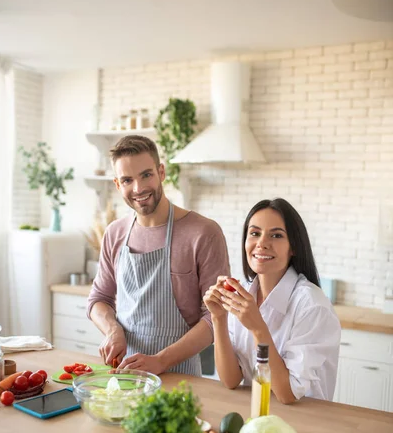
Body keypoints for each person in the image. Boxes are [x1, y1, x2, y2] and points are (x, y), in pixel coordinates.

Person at [87, 134, 230, 376]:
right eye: (127, 180)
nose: (139, 188)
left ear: (161, 172)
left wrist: (161, 361)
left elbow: (216, 318)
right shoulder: (114, 233)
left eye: (146, 175)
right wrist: (113, 330)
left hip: (181, 377)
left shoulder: (204, 233)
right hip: (124, 375)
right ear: (117, 184)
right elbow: (98, 299)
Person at [203, 198, 341, 403]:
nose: (262, 243)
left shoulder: (312, 305)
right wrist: (218, 318)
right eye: (254, 233)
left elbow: (287, 393)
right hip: (257, 415)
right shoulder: (242, 294)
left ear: (293, 247)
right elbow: (231, 379)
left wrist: (258, 328)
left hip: (307, 421)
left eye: (276, 235)